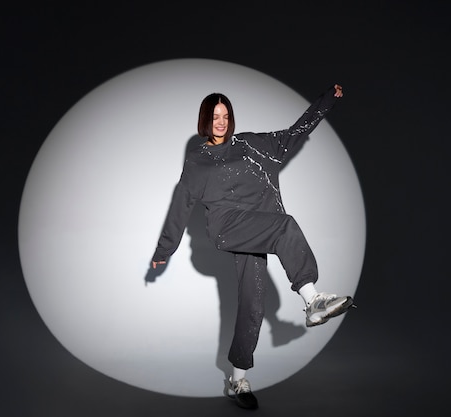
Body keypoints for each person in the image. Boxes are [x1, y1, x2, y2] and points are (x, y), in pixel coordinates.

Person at [151, 83, 355, 410]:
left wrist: (327, 101)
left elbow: (295, 132)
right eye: (215, 116)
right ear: (205, 120)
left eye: (226, 115)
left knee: (253, 303)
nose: (221, 121)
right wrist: (164, 251)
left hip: (258, 230)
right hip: (227, 229)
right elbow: (180, 205)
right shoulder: (198, 160)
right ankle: (312, 299)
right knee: (286, 225)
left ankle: (237, 379)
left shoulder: (252, 145)